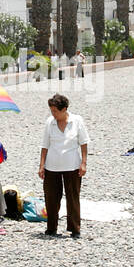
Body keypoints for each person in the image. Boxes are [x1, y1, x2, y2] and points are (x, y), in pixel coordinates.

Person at [39, 94, 89, 239]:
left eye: (55, 111)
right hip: (52, 166)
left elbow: (84, 143)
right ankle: (51, 227)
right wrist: (41, 165)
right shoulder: (50, 122)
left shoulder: (77, 121)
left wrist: (83, 163)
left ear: (64, 109)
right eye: (51, 110)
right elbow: (44, 145)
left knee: (73, 198)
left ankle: (74, 228)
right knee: (51, 198)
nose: (53, 114)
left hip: (72, 165)